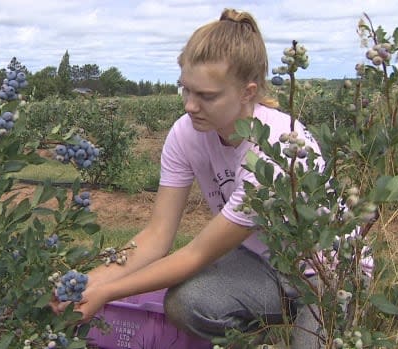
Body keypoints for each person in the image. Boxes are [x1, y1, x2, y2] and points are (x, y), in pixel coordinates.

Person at [52, 8, 322, 348]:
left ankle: (319, 318)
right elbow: (156, 236)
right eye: (186, 90)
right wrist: (85, 284)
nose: (190, 106)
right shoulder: (186, 134)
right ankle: (267, 331)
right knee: (187, 303)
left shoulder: (277, 149)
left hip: (323, 276)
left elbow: (196, 254)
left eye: (206, 96)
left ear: (247, 92)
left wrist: (108, 291)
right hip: (261, 263)